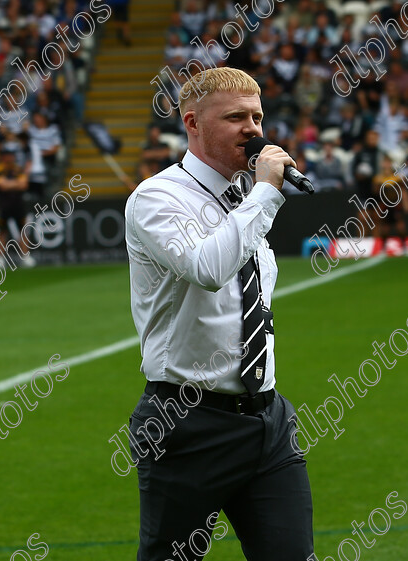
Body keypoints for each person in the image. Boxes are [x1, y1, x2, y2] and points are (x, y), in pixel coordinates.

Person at [124, 67, 313, 561]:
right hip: (187, 421)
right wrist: (267, 192)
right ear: (192, 123)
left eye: (257, 116)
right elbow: (208, 267)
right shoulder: (158, 197)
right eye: (235, 117)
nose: (253, 128)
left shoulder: (243, 200)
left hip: (267, 419)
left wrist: (257, 196)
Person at [0, 147, 36, 268]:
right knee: (2, 232)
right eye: (7, 155)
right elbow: (1, 185)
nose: (9, 158)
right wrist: (15, 184)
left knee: (23, 231)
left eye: (11, 155)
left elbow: (24, 185)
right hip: (3, 205)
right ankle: (0, 258)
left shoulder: (18, 169)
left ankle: (25, 256)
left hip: (18, 204)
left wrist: (9, 184)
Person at [372, 156, 408, 255]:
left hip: (396, 205)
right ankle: (383, 249)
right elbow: (375, 194)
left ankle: (405, 248)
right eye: (384, 163)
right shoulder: (378, 179)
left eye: (388, 163)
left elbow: (403, 190)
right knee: (385, 228)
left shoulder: (397, 178)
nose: (386, 165)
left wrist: (406, 203)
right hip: (384, 205)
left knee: (400, 226)